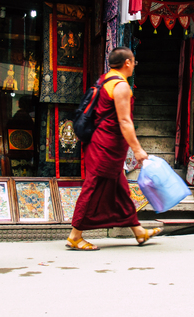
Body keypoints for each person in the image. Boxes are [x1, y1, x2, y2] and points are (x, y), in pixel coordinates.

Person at [66, 47, 162, 250]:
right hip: (106, 145)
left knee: (120, 189)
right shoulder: (121, 86)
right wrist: (137, 150)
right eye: (134, 61)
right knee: (94, 187)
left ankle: (138, 231)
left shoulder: (105, 79)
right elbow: (125, 121)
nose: (134, 64)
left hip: (103, 143)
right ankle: (75, 235)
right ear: (127, 63)